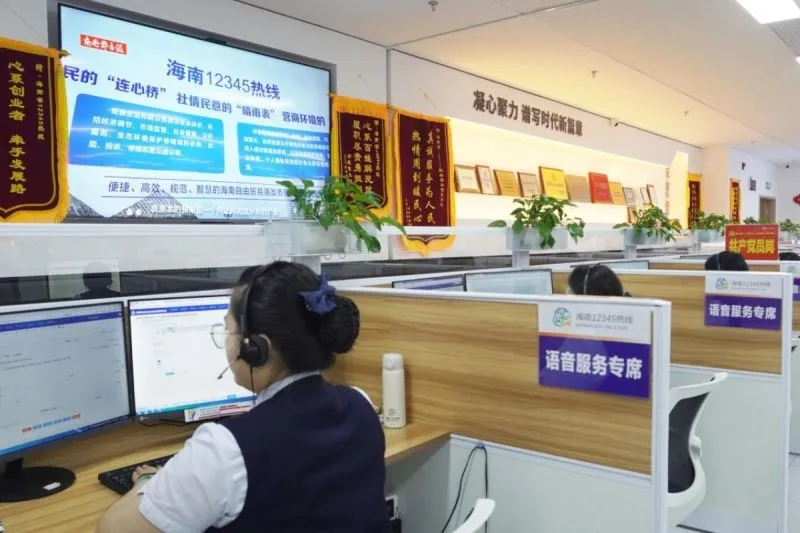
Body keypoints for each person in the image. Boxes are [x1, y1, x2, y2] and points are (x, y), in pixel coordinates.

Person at [97, 262, 390, 533]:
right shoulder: (361, 404)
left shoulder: (225, 450)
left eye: (229, 330)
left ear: (256, 348)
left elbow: (112, 529)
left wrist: (150, 482)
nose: (226, 341)